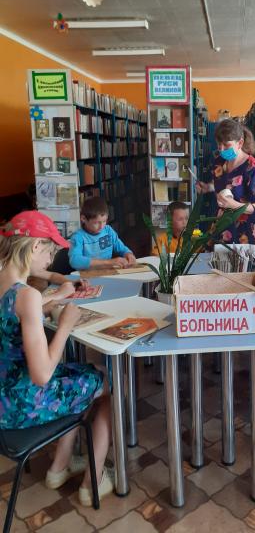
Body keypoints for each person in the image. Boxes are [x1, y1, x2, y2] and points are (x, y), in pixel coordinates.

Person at [0, 211, 113, 506]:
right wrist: (64, 325)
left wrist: (46, 306)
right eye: (50, 252)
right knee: (105, 384)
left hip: (4, 395)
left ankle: (59, 466)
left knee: (83, 373)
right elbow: (42, 375)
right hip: (21, 405)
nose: (51, 260)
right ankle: (94, 481)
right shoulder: (26, 296)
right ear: (35, 246)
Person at [196, 119, 255, 250]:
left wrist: (233, 204)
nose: (222, 149)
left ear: (240, 143)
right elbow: (225, 185)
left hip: (246, 230)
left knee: (243, 263)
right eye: (219, 145)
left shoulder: (253, 168)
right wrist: (208, 188)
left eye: (226, 145)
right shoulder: (219, 162)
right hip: (223, 224)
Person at [69, 197, 136, 271]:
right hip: (88, 275)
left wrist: (128, 254)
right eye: (96, 223)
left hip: (107, 272)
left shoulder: (108, 230)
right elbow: (75, 261)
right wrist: (109, 262)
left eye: (104, 221)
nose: (102, 226)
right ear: (83, 219)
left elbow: (121, 248)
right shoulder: (78, 237)